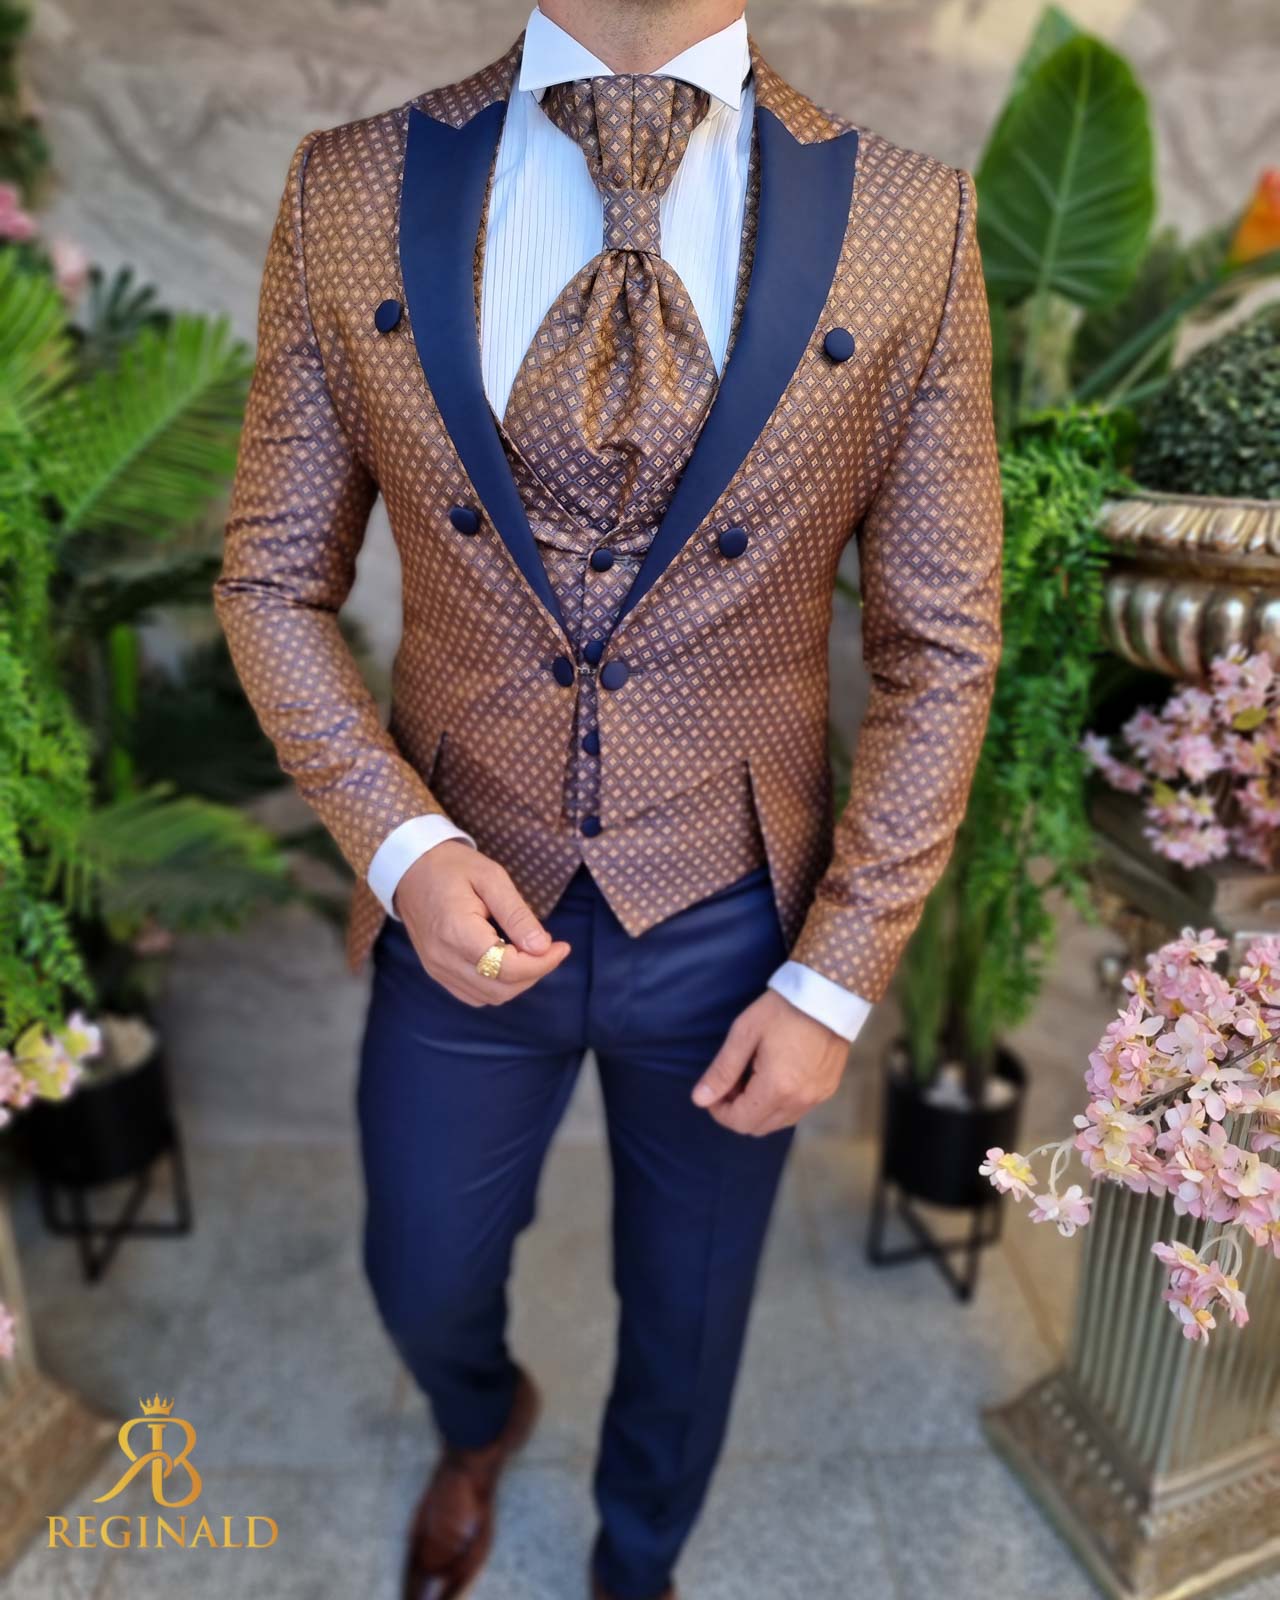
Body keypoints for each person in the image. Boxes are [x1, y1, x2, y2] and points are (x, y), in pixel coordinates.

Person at [214, 1, 1002, 1594]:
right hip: (460, 888)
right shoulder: (351, 184)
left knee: (691, 1316)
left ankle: (639, 1561)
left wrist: (836, 977)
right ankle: (478, 1418)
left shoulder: (911, 219)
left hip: (733, 911)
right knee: (421, 1269)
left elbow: (943, 647)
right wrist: (400, 844)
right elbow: (269, 581)